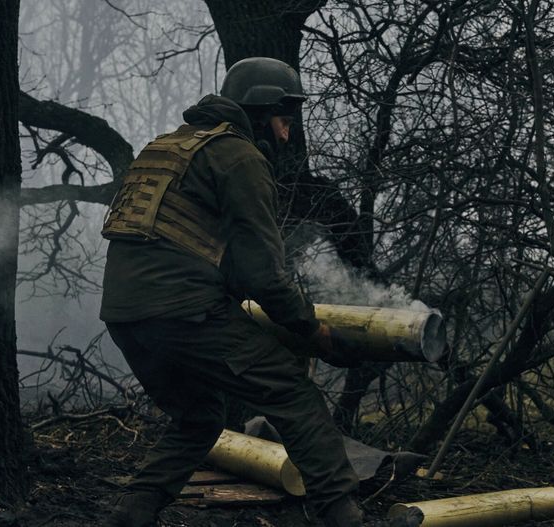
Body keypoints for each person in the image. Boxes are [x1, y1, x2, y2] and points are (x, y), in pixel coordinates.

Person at [98, 57, 363, 527]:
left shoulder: (165, 147)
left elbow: (202, 253)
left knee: (199, 417)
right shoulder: (239, 156)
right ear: (261, 111)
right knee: (292, 394)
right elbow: (262, 273)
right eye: (284, 120)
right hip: (184, 311)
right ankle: (342, 512)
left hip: (124, 313)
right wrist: (310, 328)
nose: (286, 135)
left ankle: (129, 514)